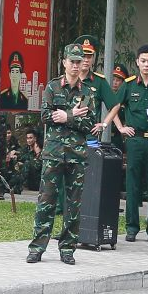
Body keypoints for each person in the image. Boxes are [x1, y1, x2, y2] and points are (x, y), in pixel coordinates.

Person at [29, 44, 95, 265]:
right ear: (64, 62)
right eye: (72, 61)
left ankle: (67, 249)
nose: (76, 65)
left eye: (79, 61)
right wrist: (72, 114)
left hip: (76, 155)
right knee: (46, 201)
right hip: (54, 153)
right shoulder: (52, 87)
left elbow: (89, 124)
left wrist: (66, 117)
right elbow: (46, 116)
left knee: (73, 204)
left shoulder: (87, 92)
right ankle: (37, 247)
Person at [103, 45, 148, 243]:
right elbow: (114, 106)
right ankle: (132, 227)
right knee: (132, 185)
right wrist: (120, 127)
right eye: (143, 61)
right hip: (135, 140)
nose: (147, 64)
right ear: (137, 62)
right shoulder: (130, 84)